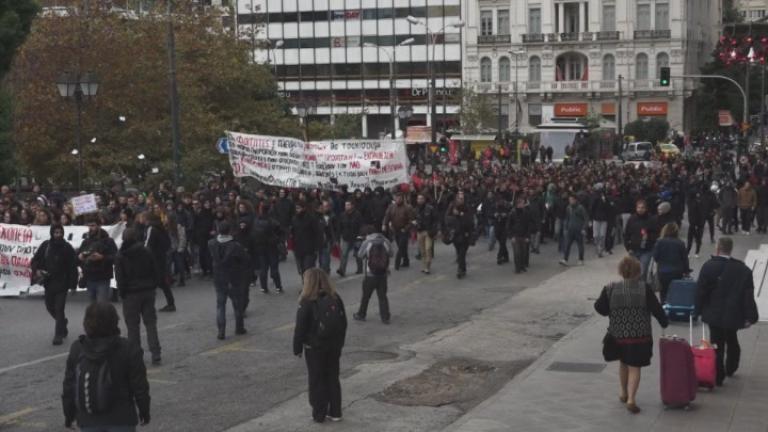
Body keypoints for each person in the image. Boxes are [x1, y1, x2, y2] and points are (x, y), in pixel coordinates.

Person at [594, 256, 668, 414]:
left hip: (617, 336)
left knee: (623, 363)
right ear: (638, 272)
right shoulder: (644, 289)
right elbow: (657, 309)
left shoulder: (610, 288)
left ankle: (623, 392)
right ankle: (631, 399)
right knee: (635, 367)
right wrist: (664, 322)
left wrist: (611, 310)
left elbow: (599, 308)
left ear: (621, 271)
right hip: (639, 336)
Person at [62, 302, 150, 431]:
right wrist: (144, 411)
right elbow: (140, 386)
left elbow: (69, 386)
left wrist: (69, 415)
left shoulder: (78, 348)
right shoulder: (128, 348)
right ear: (115, 321)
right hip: (121, 417)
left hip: (89, 419)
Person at [696, 237, 759, 386]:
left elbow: (700, 291)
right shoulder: (743, 269)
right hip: (733, 313)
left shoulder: (708, 266)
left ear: (718, 248)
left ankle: (718, 375)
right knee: (731, 337)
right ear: (730, 249)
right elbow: (748, 295)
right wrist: (750, 316)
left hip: (714, 312)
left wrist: (697, 310)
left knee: (716, 342)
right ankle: (731, 366)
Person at [293, 268, 348, 423]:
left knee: (317, 380)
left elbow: (300, 328)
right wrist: (340, 343)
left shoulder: (307, 301)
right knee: (333, 377)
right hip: (334, 346)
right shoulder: (335, 297)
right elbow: (343, 322)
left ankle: (319, 414)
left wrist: (297, 348)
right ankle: (336, 412)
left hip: (315, 347)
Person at [115, 228, 162, 365]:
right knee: (150, 323)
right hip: (147, 290)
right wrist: (153, 285)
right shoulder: (146, 251)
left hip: (131, 293)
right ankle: (155, 352)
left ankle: (135, 355)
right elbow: (155, 269)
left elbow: (120, 278)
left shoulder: (121, 255)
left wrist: (122, 293)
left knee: (132, 326)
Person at [30, 224, 78, 345]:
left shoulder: (67, 248)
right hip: (49, 282)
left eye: (60, 232)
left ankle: (58, 335)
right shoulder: (46, 245)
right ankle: (62, 323)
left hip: (62, 283)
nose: (58, 235)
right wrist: (37, 270)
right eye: (56, 232)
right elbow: (35, 260)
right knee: (49, 307)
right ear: (52, 233)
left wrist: (73, 285)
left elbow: (73, 267)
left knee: (59, 309)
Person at [209, 221, 250, 340]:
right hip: (233, 277)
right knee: (237, 304)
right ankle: (239, 327)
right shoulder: (236, 246)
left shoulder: (211, 243)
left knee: (220, 305)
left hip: (219, 277)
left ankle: (221, 331)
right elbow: (245, 260)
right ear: (229, 231)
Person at [353, 227, 393, 324]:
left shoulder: (367, 242)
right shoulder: (386, 241)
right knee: (382, 296)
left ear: (367, 234)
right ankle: (385, 317)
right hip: (383, 274)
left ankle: (361, 314)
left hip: (370, 274)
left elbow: (360, 255)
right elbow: (391, 254)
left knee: (366, 296)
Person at [78, 218, 118, 304]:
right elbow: (78, 257)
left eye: (93, 225)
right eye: (89, 226)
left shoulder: (108, 241)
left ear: (99, 226)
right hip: (89, 276)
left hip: (103, 277)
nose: (90, 228)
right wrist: (81, 257)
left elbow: (116, 257)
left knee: (102, 305)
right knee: (92, 306)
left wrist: (102, 257)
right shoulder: (86, 242)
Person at [652, 223, 690, 304]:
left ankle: (664, 307)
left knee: (663, 293)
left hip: (663, 272)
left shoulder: (660, 242)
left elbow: (655, 257)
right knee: (675, 293)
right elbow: (685, 259)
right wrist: (687, 271)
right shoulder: (680, 243)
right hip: (677, 273)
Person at [145, 213, 175, 312]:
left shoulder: (151, 229)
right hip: (161, 258)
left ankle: (148, 306)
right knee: (162, 283)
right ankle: (171, 303)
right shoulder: (162, 229)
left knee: (153, 283)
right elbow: (167, 243)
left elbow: (148, 245)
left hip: (153, 259)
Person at [623, 199, 658, 281]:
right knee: (633, 272)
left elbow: (656, 233)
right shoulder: (632, 219)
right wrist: (628, 247)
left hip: (646, 250)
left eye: (642, 208)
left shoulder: (651, 219)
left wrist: (649, 237)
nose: (640, 209)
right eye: (638, 207)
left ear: (646, 208)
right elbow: (626, 234)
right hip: (633, 250)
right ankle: (635, 287)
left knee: (643, 271)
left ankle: (642, 287)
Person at [382, 192, 415, 270]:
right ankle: (406, 261)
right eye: (396, 198)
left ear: (402, 199)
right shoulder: (391, 207)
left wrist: (406, 228)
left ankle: (397, 263)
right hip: (395, 230)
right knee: (402, 246)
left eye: (400, 198)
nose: (398, 199)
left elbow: (412, 220)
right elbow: (387, 216)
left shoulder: (407, 207)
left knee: (401, 247)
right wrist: (384, 224)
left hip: (404, 230)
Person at [446, 191, 475, 279]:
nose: (460, 200)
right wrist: (454, 217)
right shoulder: (452, 207)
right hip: (456, 234)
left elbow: (470, 221)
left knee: (462, 253)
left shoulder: (467, 208)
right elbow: (447, 218)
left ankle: (459, 270)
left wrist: (460, 215)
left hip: (465, 234)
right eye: (459, 198)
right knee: (459, 253)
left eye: (462, 198)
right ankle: (463, 268)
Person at [291, 201, 323, 278]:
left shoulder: (311, 219)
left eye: (299, 208)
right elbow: (293, 233)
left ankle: (311, 284)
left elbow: (318, 233)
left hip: (310, 249)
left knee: (308, 268)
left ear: (304, 208)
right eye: (296, 208)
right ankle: (306, 284)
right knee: (302, 270)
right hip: (299, 248)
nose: (297, 210)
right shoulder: (294, 219)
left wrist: (317, 247)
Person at [336, 200, 363, 277]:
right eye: (346, 205)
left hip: (356, 237)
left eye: (348, 205)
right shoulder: (342, 215)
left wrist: (361, 235)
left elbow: (361, 225)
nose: (346, 206)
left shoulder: (357, 214)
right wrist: (338, 237)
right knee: (344, 254)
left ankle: (360, 269)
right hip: (346, 237)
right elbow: (339, 227)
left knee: (357, 254)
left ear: (352, 206)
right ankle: (342, 270)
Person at [560, 194, 588, 266]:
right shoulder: (568, 208)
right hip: (570, 229)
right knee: (567, 245)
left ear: (575, 200)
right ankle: (565, 259)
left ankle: (581, 259)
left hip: (579, 230)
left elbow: (585, 218)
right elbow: (567, 218)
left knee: (580, 245)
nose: (570, 201)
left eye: (571, 200)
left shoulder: (580, 208)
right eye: (569, 200)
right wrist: (565, 227)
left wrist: (584, 228)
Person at [414, 193, 438, 274]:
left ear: (424, 199)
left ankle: (428, 266)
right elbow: (413, 219)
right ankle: (424, 265)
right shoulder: (416, 209)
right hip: (419, 232)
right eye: (418, 199)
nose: (420, 200)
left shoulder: (430, 208)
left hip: (428, 232)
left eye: (421, 199)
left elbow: (435, 220)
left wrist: (434, 231)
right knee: (422, 250)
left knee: (428, 249)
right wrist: (415, 224)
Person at [508, 196, 531, 273]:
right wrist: (511, 236)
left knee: (523, 252)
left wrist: (527, 236)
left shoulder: (526, 213)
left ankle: (522, 266)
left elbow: (528, 225)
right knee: (517, 253)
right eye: (522, 203)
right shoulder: (512, 213)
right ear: (518, 204)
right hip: (515, 235)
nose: (523, 205)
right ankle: (517, 268)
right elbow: (509, 225)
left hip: (523, 235)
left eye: (523, 203)